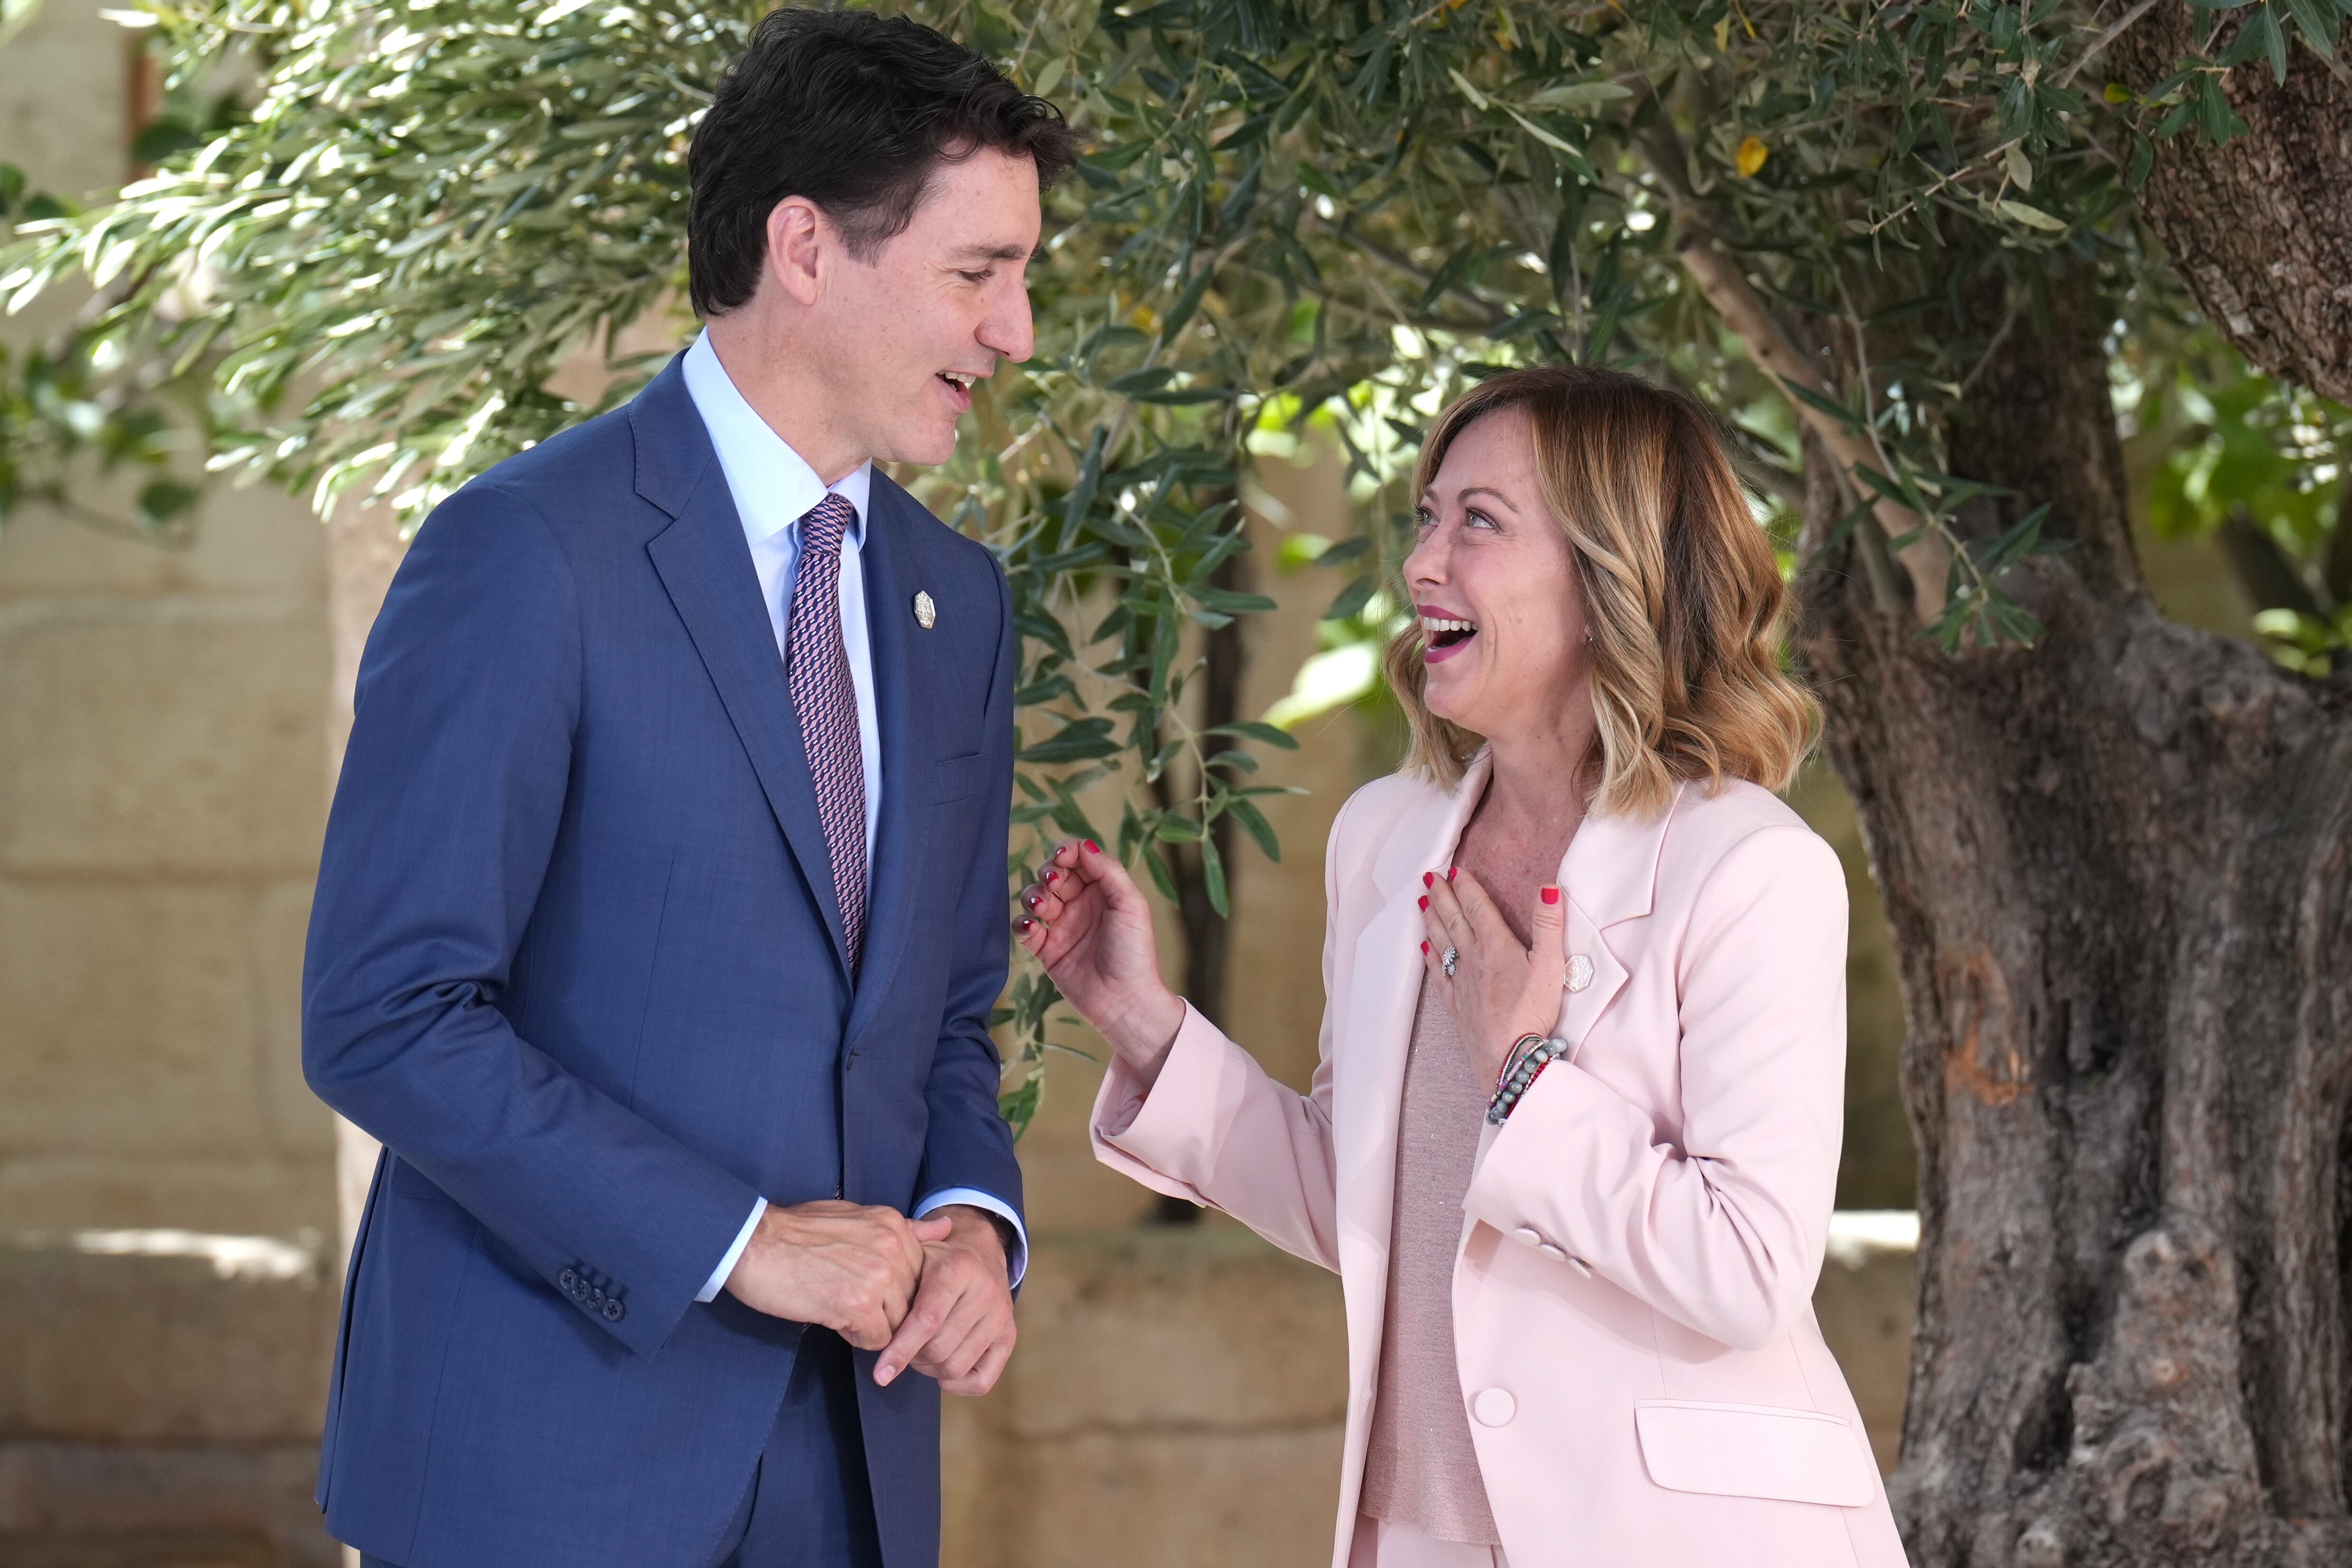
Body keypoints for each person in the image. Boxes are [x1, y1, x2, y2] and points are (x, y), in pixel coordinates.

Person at [299, 12, 1077, 1566]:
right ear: (805, 247)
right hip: (541, 1474)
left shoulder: (957, 603)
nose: (1021, 333)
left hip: (850, 1476)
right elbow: (386, 1016)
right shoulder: (525, 552)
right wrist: (746, 1246)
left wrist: (975, 1229)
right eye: (979, 273)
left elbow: (939, 1020)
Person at [1017, 366, 1912, 1568]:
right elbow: (1367, 1200)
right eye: (1428, 517)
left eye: (1478, 522)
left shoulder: (1749, 868)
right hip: (1418, 1535)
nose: (1423, 564)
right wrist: (1143, 1026)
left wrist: (1525, 1074)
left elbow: (1747, 1270)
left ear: (1611, 575)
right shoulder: (1386, 839)